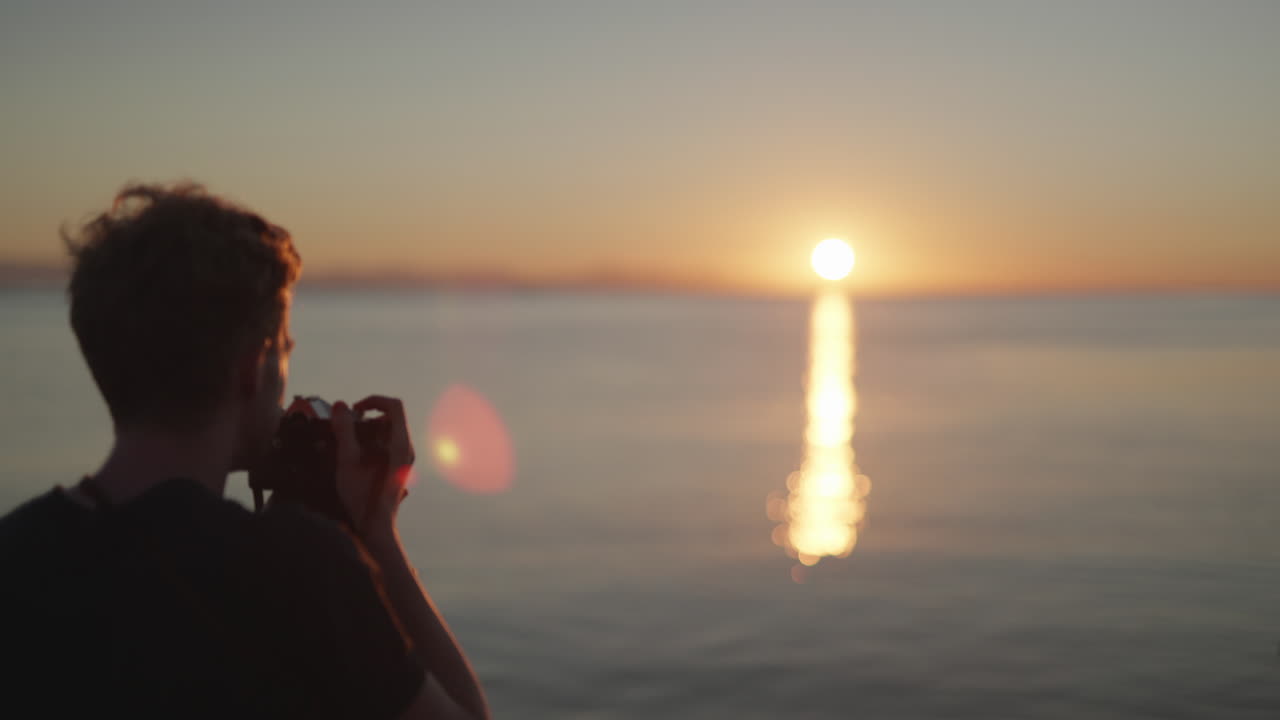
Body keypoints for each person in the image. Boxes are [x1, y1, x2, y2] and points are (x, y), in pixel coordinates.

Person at [0, 183, 490, 719]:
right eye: (283, 349)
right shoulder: (302, 568)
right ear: (250, 369)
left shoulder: (17, 552)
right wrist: (377, 535)